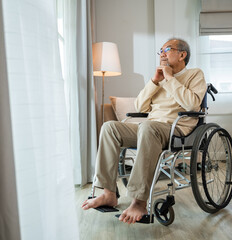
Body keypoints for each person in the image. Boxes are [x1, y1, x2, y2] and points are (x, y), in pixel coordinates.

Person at [82, 38, 207, 224]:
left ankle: (139, 201)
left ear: (182, 55)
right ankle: (108, 193)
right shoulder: (160, 78)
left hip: (175, 129)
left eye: (167, 49)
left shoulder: (195, 74)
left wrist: (170, 78)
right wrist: (155, 81)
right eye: (161, 50)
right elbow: (140, 106)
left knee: (148, 127)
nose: (162, 53)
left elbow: (192, 104)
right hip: (150, 128)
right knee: (110, 127)